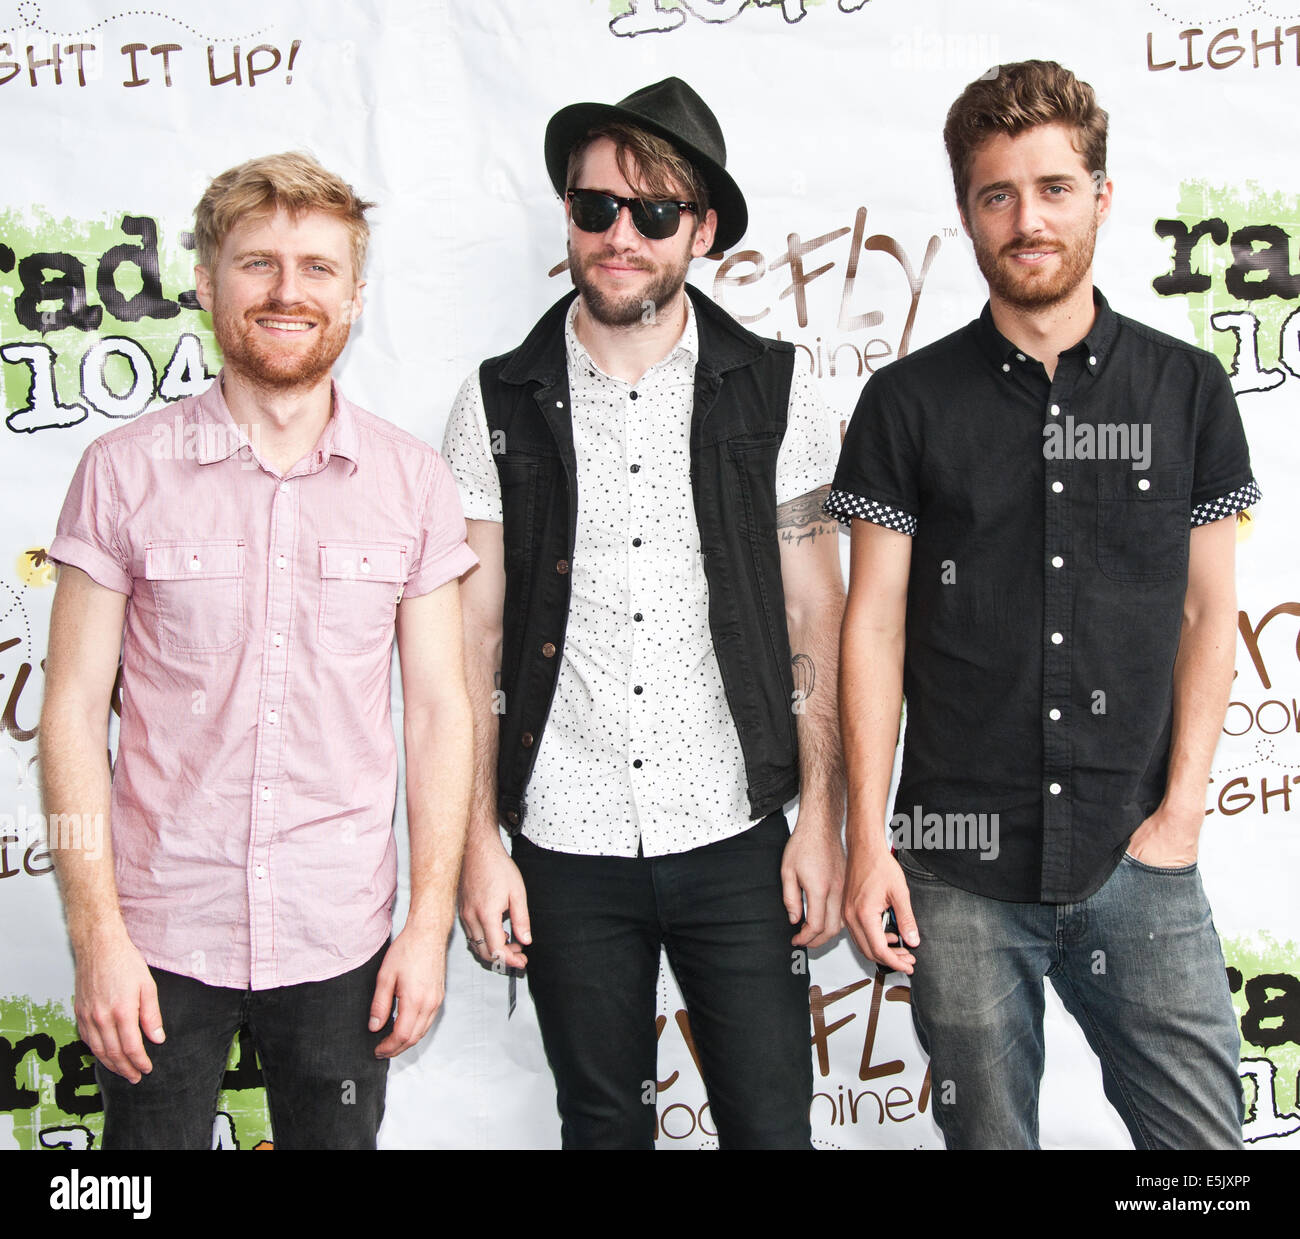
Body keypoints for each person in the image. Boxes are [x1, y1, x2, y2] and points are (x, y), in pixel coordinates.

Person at [832, 59, 1256, 1150]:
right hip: (955, 867)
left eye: (1055, 187)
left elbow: (1213, 616)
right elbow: (871, 625)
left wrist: (1182, 815)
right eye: (997, 194)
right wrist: (866, 842)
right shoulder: (905, 403)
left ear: (1101, 198)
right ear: (968, 212)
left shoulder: (1188, 391)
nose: (1028, 219)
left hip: (1138, 853)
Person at [40, 152, 476, 1150]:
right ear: (205, 280)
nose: (289, 292)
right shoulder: (120, 474)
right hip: (157, 939)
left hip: (342, 941)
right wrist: (95, 938)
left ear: (356, 296)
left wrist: (424, 927)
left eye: (319, 268)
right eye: (258, 263)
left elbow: (443, 713)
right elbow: (68, 715)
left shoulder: (411, 484)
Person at [443, 78, 846, 1149]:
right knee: (601, 1126)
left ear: (701, 230)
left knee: (771, 1127)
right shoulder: (495, 399)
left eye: (654, 212)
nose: (620, 235)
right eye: (594, 208)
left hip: (735, 834)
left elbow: (815, 617)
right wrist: (479, 845)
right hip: (564, 839)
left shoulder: (776, 391)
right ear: (569, 218)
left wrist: (827, 826)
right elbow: (471, 643)